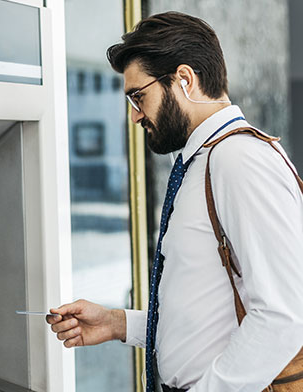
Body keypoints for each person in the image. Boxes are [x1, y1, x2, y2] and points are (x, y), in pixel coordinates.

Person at [47, 11, 303, 392]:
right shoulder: (200, 161)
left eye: (139, 96)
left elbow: (285, 315)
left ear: (184, 79)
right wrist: (119, 323)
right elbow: (208, 311)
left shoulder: (238, 160)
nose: (135, 115)